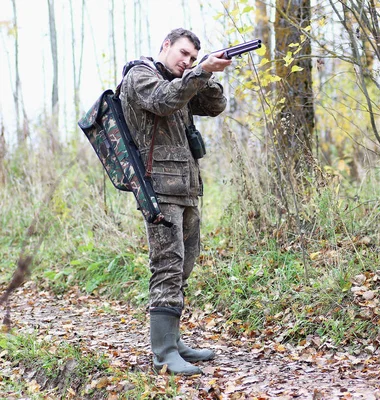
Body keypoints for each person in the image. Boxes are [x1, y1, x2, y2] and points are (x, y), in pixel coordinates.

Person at [119, 28, 232, 375]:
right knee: (167, 265)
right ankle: (163, 351)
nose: (187, 61)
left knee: (183, 265)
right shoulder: (140, 76)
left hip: (186, 187)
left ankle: (174, 340)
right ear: (165, 45)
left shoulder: (183, 80)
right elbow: (163, 100)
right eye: (183, 53)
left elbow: (216, 106)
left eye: (193, 58)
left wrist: (207, 74)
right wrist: (200, 72)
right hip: (158, 188)